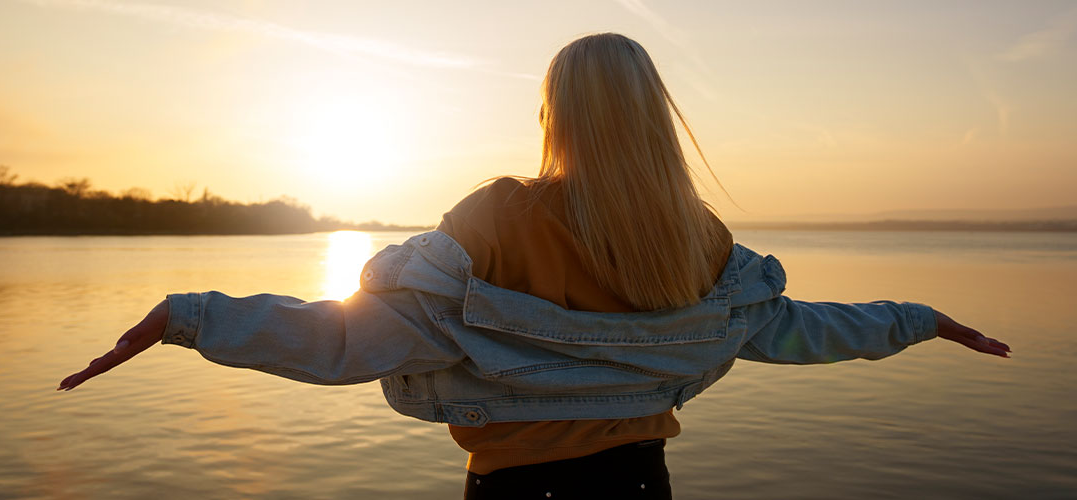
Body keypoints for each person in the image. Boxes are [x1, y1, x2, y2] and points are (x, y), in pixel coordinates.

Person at [59, 33, 1010, 500]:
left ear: (555, 112)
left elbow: (351, 340)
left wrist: (192, 317)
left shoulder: (498, 215)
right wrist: (916, 319)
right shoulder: (700, 235)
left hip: (519, 493)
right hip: (643, 483)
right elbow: (796, 332)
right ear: (655, 114)